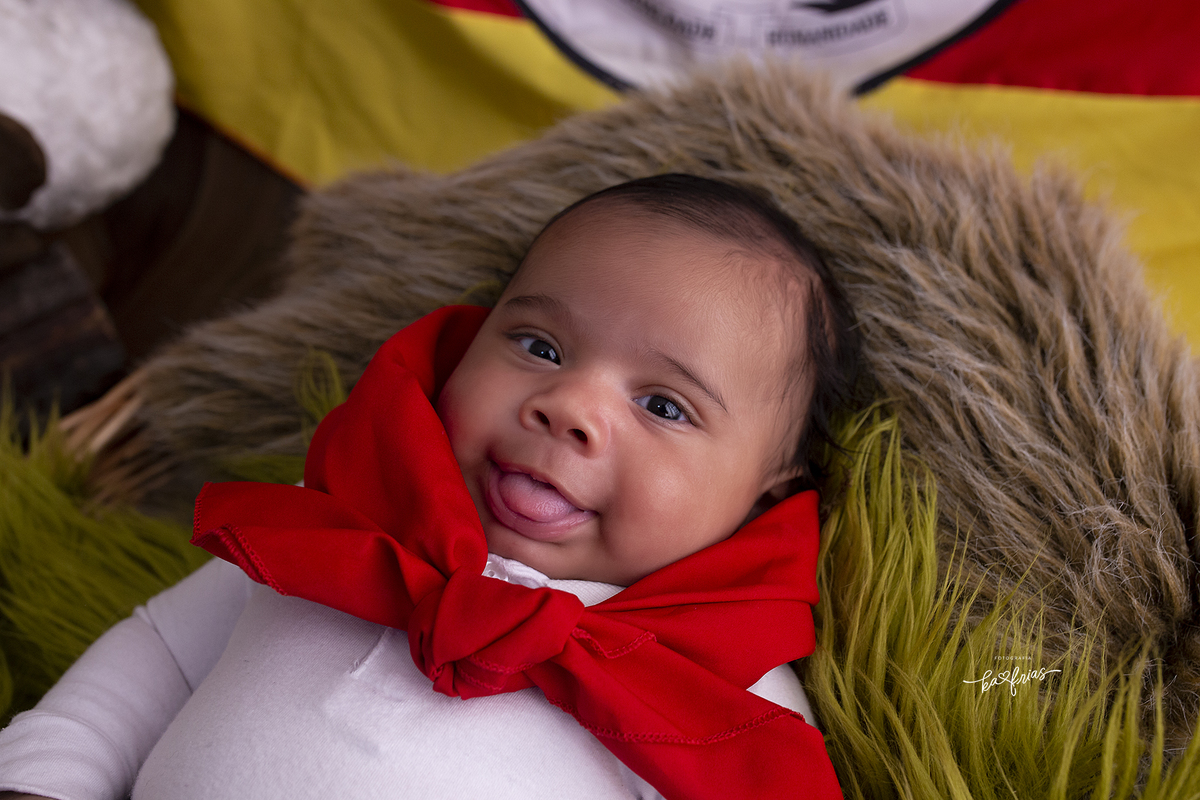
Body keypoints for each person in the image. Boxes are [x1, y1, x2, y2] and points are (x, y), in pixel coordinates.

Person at [0, 174, 861, 800]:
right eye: (540, 347)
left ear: (761, 496)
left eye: (664, 405)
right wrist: (44, 779)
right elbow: (152, 660)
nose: (568, 409)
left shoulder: (728, 689)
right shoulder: (343, 520)